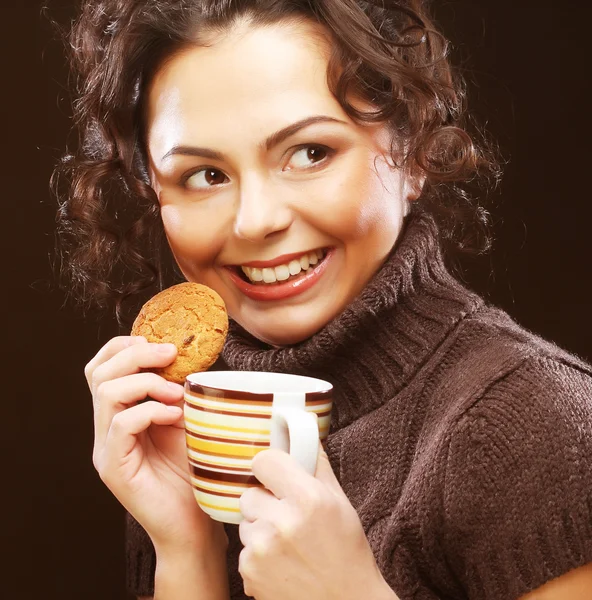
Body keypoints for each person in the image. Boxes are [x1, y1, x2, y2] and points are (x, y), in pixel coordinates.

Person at [52, 1, 592, 599]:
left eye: (310, 153)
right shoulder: (186, 423)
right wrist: (188, 548)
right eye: (205, 175)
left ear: (412, 152)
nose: (256, 221)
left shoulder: (535, 426)